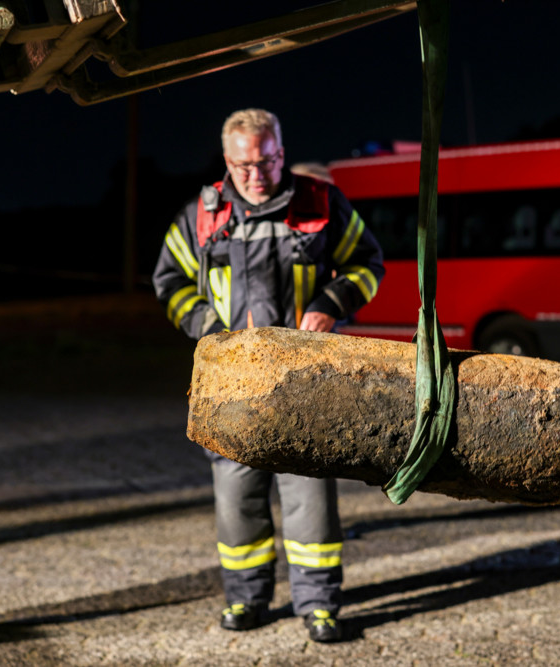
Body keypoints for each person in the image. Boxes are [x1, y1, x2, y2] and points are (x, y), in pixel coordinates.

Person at [152, 108, 384, 643]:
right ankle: (246, 599)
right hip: (232, 388)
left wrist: (331, 302)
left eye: (267, 160)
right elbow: (169, 281)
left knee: (310, 502)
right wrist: (209, 330)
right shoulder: (202, 215)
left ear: (281, 151)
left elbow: (368, 264)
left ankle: (320, 605)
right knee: (237, 500)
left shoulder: (321, 203)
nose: (256, 174)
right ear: (227, 161)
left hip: (307, 385)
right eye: (243, 165)